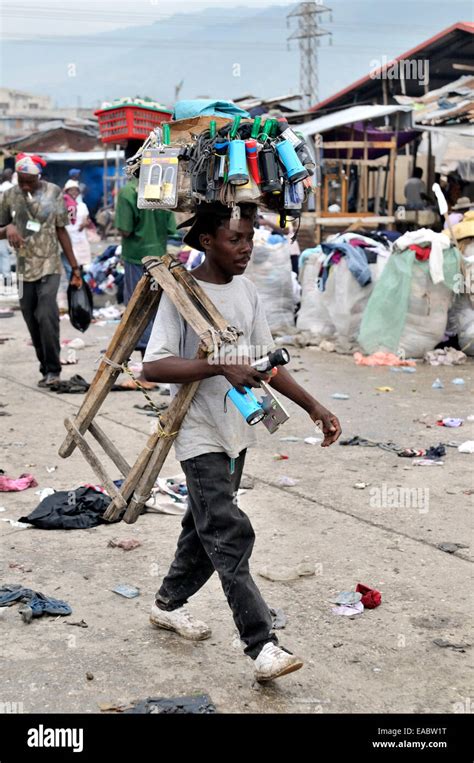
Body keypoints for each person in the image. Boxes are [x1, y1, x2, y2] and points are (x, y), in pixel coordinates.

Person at [142, 202, 342, 682]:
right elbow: (153, 366)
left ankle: (168, 603)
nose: (246, 247)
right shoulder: (181, 294)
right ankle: (262, 644)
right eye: (235, 239)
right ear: (207, 241)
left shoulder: (248, 292)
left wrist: (315, 406)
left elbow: (264, 362)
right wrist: (217, 366)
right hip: (197, 429)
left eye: (249, 237)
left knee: (205, 523)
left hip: (238, 428)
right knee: (230, 531)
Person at [0, 153, 82, 386]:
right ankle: (45, 367)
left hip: (49, 265)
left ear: (39, 177)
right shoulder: (9, 196)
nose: (25, 185)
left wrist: (75, 267)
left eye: (30, 181)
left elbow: (61, 231)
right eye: (21, 181)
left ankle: (54, 369)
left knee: (46, 315)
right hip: (24, 268)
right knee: (30, 318)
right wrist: (8, 228)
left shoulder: (54, 192)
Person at [115, 168, 176, 388]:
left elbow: (125, 228)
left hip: (136, 258)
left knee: (138, 314)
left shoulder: (128, 192)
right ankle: (154, 370)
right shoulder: (161, 189)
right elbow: (171, 227)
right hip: (159, 259)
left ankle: (146, 375)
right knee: (156, 313)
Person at [63, 179, 92, 269]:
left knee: (85, 265)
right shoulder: (63, 206)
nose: (74, 193)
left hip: (81, 239)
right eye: (71, 190)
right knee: (71, 266)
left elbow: (87, 220)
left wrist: (85, 224)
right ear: (67, 192)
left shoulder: (82, 206)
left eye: (76, 190)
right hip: (69, 238)